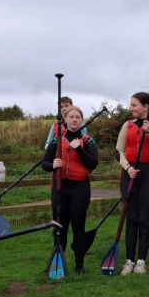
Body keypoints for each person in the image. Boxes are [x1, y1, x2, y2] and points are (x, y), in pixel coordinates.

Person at [114, 92, 149, 275]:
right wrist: (127, 167)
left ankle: (141, 261)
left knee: (145, 219)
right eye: (130, 105)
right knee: (131, 219)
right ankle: (128, 260)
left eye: (134, 105)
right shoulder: (126, 125)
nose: (131, 108)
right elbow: (119, 151)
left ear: (145, 107)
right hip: (131, 173)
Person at [42, 105, 99, 274]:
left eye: (78, 117)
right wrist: (52, 164)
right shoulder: (56, 140)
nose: (74, 120)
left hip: (80, 188)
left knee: (78, 226)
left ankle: (79, 265)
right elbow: (45, 163)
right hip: (60, 188)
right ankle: (57, 263)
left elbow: (92, 163)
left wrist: (78, 148)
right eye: (71, 117)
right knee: (60, 227)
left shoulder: (88, 141)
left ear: (82, 121)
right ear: (65, 120)